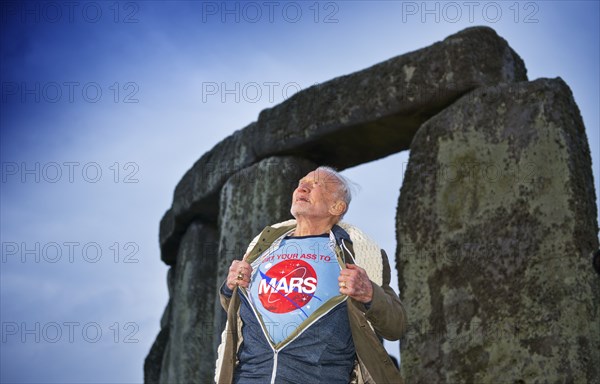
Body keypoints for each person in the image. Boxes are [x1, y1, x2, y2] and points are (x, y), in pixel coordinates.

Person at [215, 166, 407, 383]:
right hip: (249, 377)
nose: (302, 188)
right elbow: (240, 309)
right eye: (300, 183)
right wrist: (230, 288)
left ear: (337, 207)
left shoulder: (359, 255)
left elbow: (396, 325)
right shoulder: (262, 246)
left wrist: (370, 293)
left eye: (317, 185)